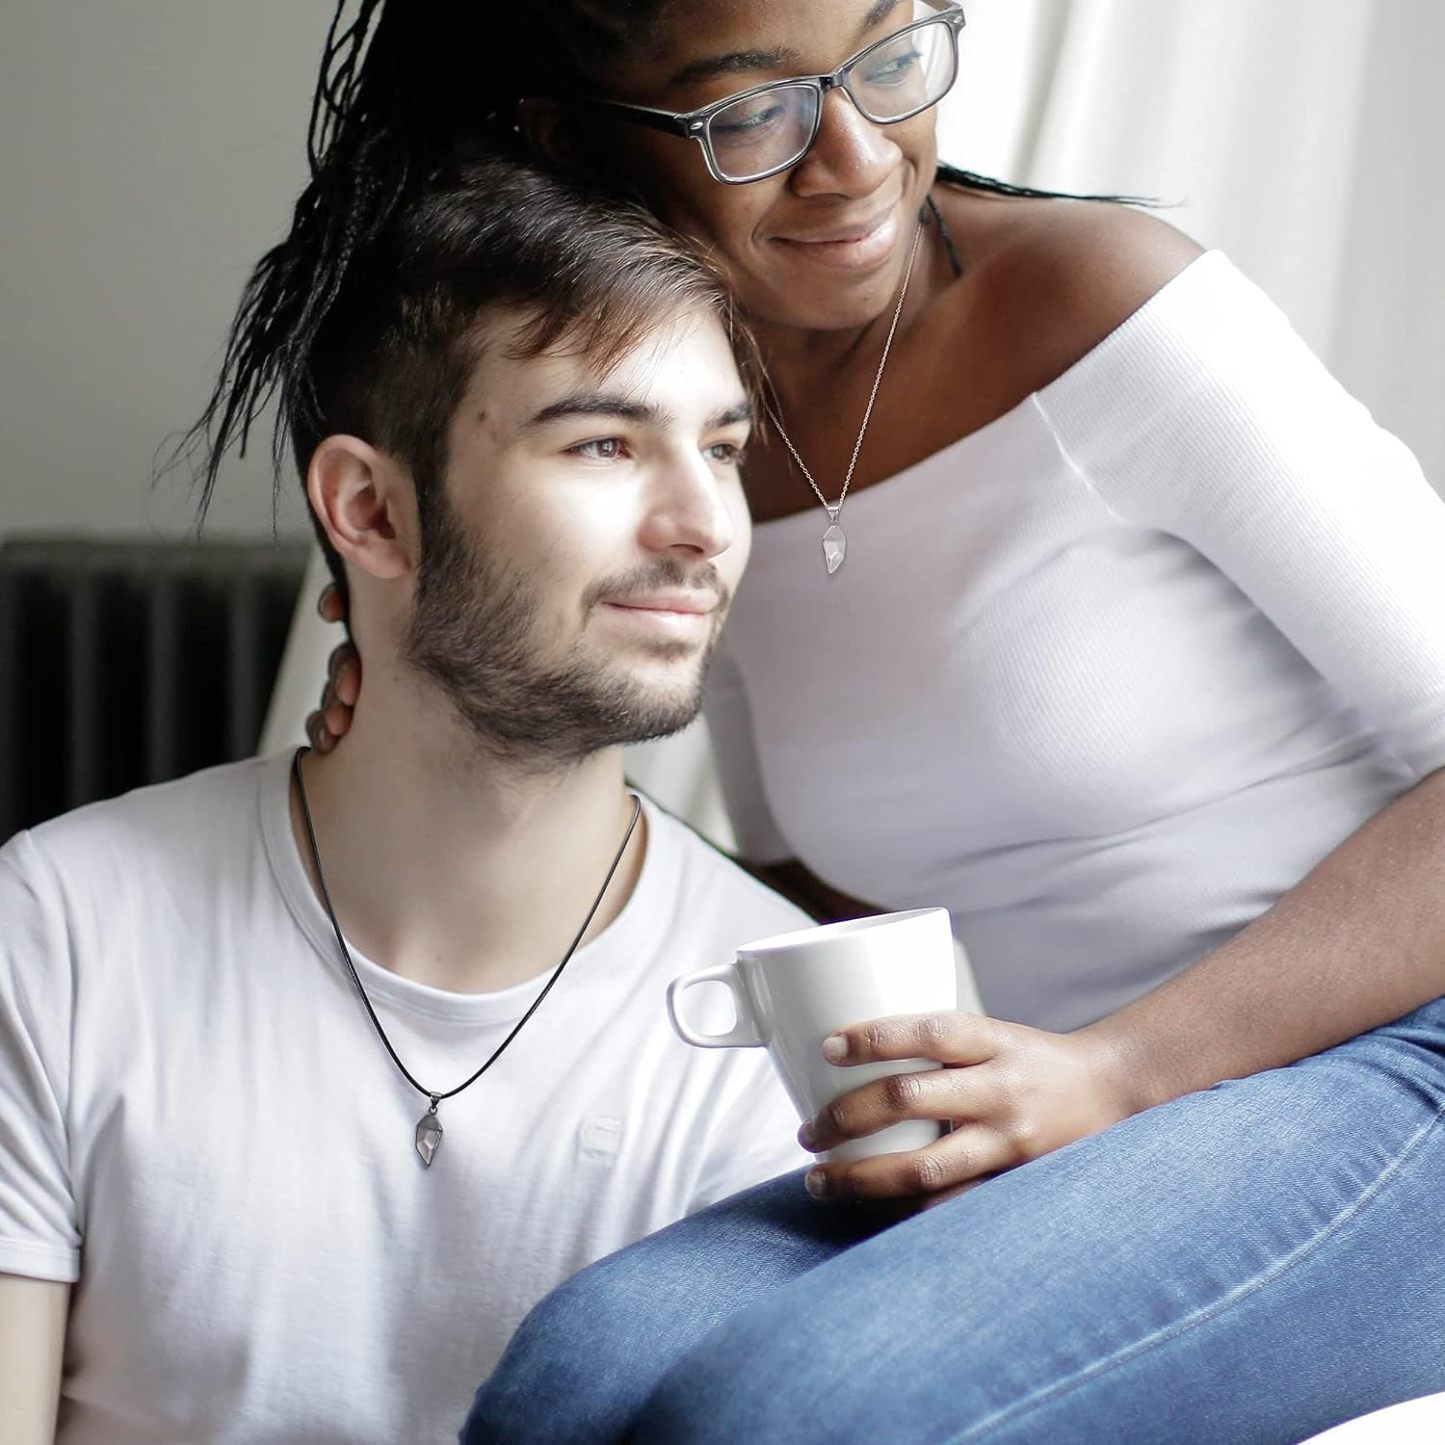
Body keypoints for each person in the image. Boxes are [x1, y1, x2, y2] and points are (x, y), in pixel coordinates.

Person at [259, 2, 1445, 1440]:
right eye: (748, 112)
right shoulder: (696, 438)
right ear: (572, 138)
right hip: (1049, 1099)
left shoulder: (1103, 309)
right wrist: (418, 669)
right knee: (572, 1381)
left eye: (890, 58)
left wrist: (1120, 1071)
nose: (859, 156)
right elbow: (811, 880)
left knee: (789, 1412)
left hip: (1390, 1055)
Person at [0, 155, 822, 1444]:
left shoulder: (787, 1031)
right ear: (372, 511)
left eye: (720, 448)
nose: (704, 525)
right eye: (604, 443)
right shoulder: (58, 934)